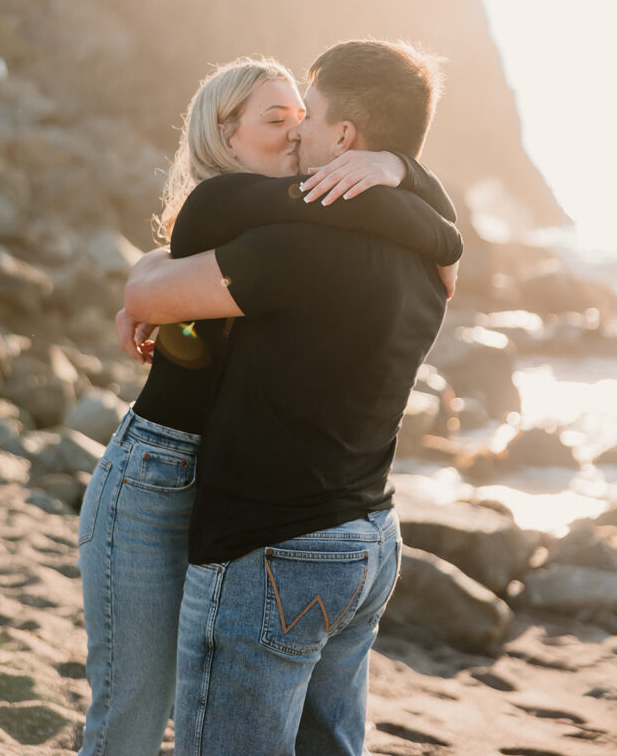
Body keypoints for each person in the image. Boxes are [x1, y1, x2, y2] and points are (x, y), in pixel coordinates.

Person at [81, 54, 462, 756]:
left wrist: (397, 173)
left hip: (262, 508)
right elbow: (444, 247)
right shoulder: (239, 213)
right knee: (133, 710)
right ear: (225, 139)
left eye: (303, 116)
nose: (294, 133)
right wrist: (400, 177)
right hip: (161, 475)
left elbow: (440, 239)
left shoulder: (308, 232)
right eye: (276, 119)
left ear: (343, 137)